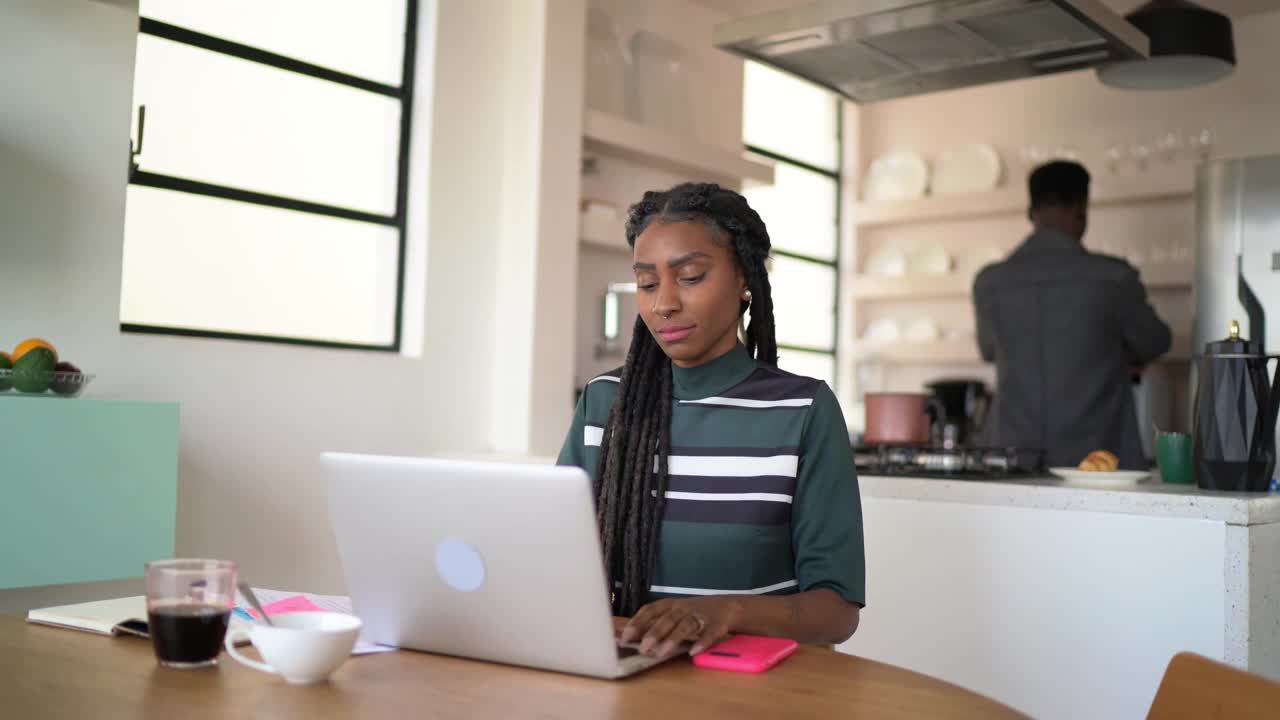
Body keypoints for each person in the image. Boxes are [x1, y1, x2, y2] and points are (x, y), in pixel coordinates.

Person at [557, 182, 864, 659]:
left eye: (692, 276)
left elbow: (836, 611)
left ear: (744, 278)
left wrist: (728, 612)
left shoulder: (804, 410)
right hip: (632, 672)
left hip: (763, 685)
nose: (663, 304)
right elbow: (555, 562)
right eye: (647, 283)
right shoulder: (603, 404)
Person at [973, 161, 1171, 470]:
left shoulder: (990, 283)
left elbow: (988, 351)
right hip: (1096, 462)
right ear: (1081, 208)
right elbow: (1156, 342)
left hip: (1011, 457)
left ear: (1031, 211)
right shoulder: (1112, 279)